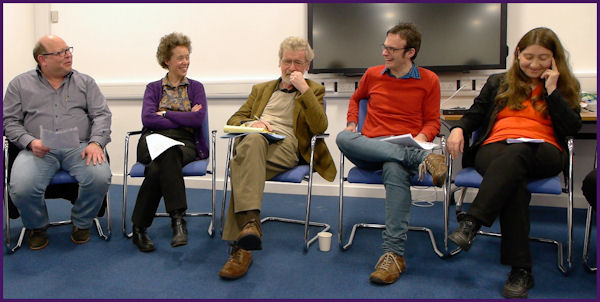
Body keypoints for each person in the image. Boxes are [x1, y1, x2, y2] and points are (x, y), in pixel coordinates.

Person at [446, 27, 582, 299]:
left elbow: (572, 127)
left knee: (518, 153)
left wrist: (553, 92)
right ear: (518, 53)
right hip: (495, 149)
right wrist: (459, 129)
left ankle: (472, 221)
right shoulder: (498, 82)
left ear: (554, 59)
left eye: (543, 58)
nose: (534, 64)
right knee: (514, 182)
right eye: (528, 56)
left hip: (544, 151)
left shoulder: (565, 86)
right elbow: (475, 114)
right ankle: (521, 270)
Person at [335, 23, 446, 285]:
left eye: (392, 49)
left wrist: (421, 138)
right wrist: (352, 122)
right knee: (342, 137)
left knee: (394, 165)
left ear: (410, 52)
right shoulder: (372, 74)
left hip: (403, 147)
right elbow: (356, 100)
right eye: (384, 46)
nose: (385, 52)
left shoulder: (429, 80)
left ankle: (393, 254)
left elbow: (433, 121)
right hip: (370, 147)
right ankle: (421, 160)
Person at [218, 36, 336, 279]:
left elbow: (319, 126)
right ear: (279, 62)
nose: (291, 68)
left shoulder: (314, 90)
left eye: (298, 63)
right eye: (287, 61)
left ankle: (241, 246)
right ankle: (248, 230)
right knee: (250, 144)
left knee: (241, 164)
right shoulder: (261, 89)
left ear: (307, 67)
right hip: (258, 142)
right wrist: (254, 122)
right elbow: (234, 119)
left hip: (289, 146)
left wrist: (303, 89)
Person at [3, 35, 112, 250]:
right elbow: (10, 122)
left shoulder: (86, 82)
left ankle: (82, 222)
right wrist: (29, 141)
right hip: (38, 149)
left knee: (100, 177)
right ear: (42, 59)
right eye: (60, 52)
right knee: (22, 187)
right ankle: (37, 226)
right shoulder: (19, 84)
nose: (68, 54)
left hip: (80, 147)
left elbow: (101, 115)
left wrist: (96, 143)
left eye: (68, 49)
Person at [130, 32, 208, 252]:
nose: (186, 62)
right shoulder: (153, 88)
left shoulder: (196, 88)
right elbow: (147, 119)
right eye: (180, 58)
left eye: (187, 57)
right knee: (167, 153)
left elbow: (198, 119)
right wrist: (182, 117)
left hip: (184, 143)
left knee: (162, 162)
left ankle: (139, 228)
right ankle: (178, 221)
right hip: (152, 139)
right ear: (167, 60)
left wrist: (164, 114)